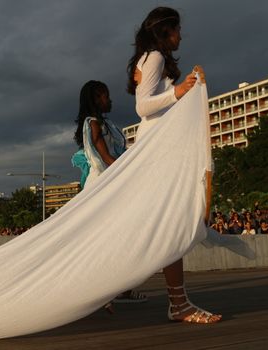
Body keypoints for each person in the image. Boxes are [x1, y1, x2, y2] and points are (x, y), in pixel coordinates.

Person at [127, 6, 221, 323]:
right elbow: (143, 107)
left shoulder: (151, 58)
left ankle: (176, 302)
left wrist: (184, 91)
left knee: (166, 224)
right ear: (165, 31)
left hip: (160, 149)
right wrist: (179, 91)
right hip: (156, 153)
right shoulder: (153, 57)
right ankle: (177, 304)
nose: (181, 36)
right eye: (178, 29)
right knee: (172, 222)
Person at [73, 80, 147, 305]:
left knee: (119, 237)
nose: (110, 99)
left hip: (108, 181)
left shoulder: (101, 123)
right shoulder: (94, 123)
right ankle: (102, 291)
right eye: (105, 96)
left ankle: (118, 290)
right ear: (96, 99)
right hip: (104, 183)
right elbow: (106, 158)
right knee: (110, 238)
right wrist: (132, 175)